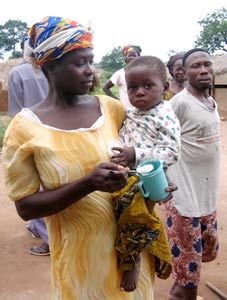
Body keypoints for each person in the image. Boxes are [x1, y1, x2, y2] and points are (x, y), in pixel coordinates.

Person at [3, 16, 170, 300]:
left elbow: (141, 159)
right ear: (50, 66)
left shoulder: (112, 109)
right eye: (80, 63)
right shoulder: (25, 129)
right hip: (81, 265)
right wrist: (88, 183)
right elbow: (26, 208)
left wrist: (158, 184)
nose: (91, 72)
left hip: (131, 259)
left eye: (91, 61)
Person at [109, 56, 181, 292]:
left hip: (143, 179)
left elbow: (171, 152)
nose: (139, 92)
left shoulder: (165, 115)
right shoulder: (131, 112)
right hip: (127, 175)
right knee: (119, 216)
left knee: (135, 217)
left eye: (147, 86)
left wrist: (135, 154)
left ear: (165, 88)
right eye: (132, 88)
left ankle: (134, 260)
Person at [165, 48, 221, 300]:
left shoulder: (211, 102)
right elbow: (159, 141)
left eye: (206, 64)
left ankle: (178, 293)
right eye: (195, 66)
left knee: (201, 256)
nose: (203, 70)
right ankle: (182, 295)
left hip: (205, 199)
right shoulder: (179, 103)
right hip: (185, 202)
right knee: (190, 268)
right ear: (184, 73)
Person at [8, 35, 50, 256]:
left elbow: (16, 113)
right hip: (55, 130)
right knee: (52, 182)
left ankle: (48, 239)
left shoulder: (17, 73)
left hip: (30, 133)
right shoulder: (51, 68)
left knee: (34, 187)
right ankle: (37, 227)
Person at [8, 35, 49, 117]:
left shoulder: (17, 73)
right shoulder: (53, 69)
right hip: (55, 126)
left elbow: (16, 113)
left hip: (28, 126)